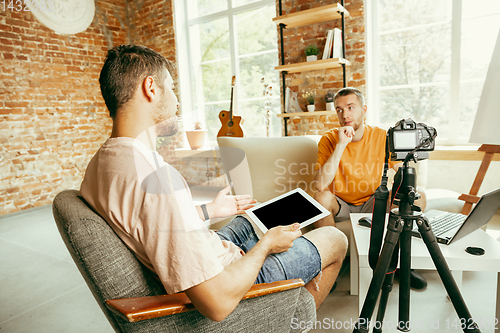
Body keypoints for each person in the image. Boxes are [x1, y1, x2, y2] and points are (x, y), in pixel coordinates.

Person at [80, 44, 348, 322]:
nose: (177, 100)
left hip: (208, 249)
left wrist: (209, 211)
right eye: (171, 88)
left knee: (257, 215)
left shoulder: (103, 161)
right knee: (335, 239)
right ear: (150, 88)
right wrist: (265, 246)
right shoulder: (154, 178)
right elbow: (216, 302)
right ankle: (282, 322)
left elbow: (145, 221)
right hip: (225, 279)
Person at [313, 87, 427, 290]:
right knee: (319, 197)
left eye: (350, 107)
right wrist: (341, 145)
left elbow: (402, 171)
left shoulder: (382, 137)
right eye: (339, 110)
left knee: (418, 198)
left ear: (363, 109)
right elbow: (320, 185)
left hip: (375, 202)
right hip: (342, 205)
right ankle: (329, 267)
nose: (345, 114)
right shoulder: (329, 139)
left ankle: (402, 265)